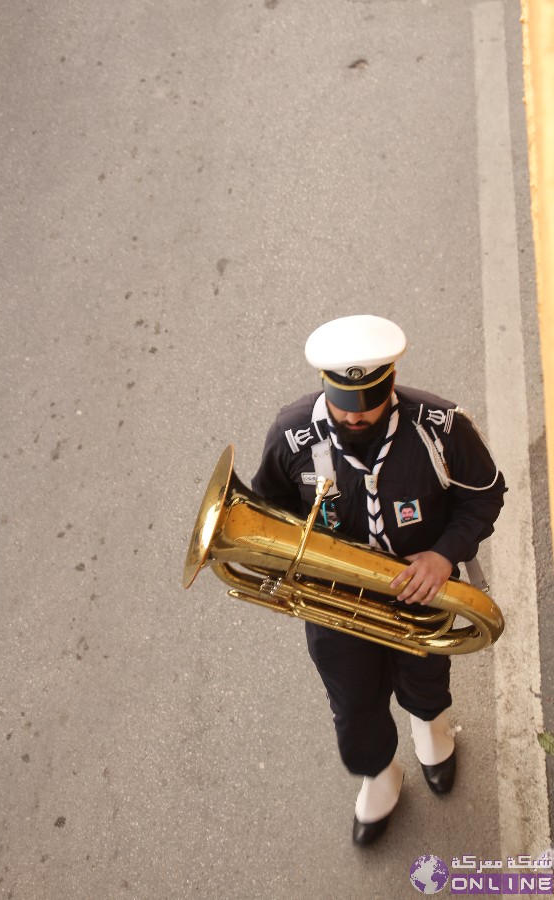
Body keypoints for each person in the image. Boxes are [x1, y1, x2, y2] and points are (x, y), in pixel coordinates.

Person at [250, 314, 506, 846]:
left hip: (421, 587)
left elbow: (483, 495)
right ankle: (379, 775)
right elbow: (266, 512)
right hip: (335, 601)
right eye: (345, 403)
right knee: (352, 699)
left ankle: (431, 731)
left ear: (391, 384)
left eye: (372, 400)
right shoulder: (291, 434)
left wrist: (443, 555)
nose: (358, 415)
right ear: (325, 387)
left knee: (426, 670)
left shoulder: (440, 426)